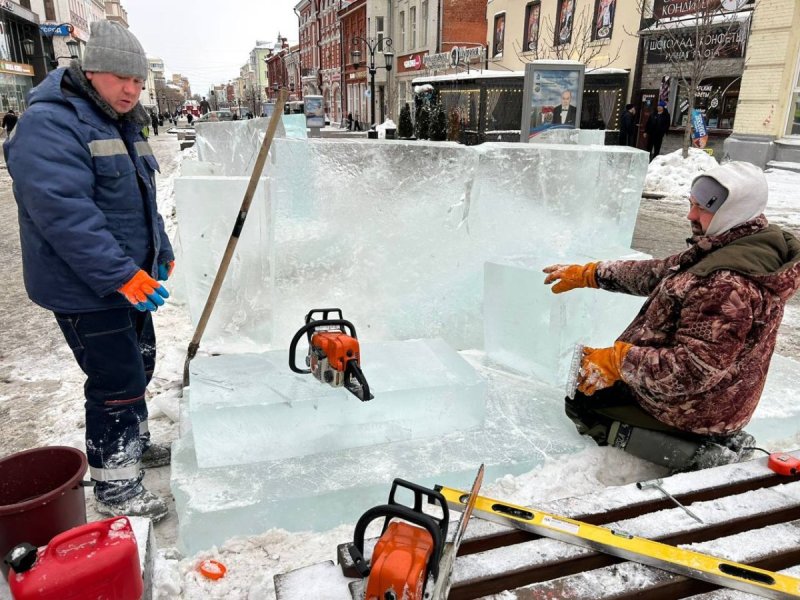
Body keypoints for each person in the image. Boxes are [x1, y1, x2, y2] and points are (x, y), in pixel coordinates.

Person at [3, 20, 174, 520]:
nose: (132, 89)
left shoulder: (120, 120)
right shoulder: (50, 123)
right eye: (123, 78)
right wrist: (121, 273)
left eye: (139, 81)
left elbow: (142, 197)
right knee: (115, 378)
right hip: (84, 288)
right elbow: (64, 214)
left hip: (127, 279)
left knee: (140, 360)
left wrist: (157, 248)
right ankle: (116, 485)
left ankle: (133, 443)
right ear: (91, 69)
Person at [543, 162, 800, 472]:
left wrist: (618, 361)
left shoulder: (727, 283)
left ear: (732, 211)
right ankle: (718, 438)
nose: (691, 215)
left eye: (702, 209)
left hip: (696, 407)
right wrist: (592, 274)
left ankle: (699, 455)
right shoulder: (739, 241)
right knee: (590, 381)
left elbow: (692, 371)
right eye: (691, 204)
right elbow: (659, 272)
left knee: (585, 402)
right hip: (720, 399)